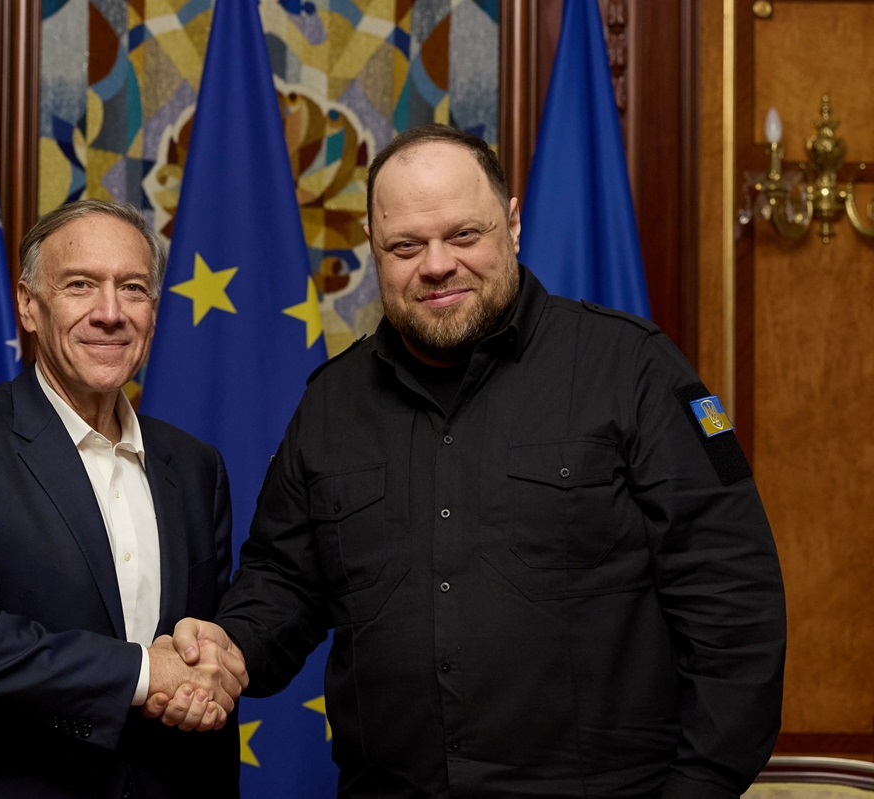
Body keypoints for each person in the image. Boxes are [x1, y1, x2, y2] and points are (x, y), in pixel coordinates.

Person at [151, 124, 787, 798]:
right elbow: (283, 581)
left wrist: (699, 787)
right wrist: (224, 651)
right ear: (374, 247)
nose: (436, 265)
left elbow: (733, 599)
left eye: (463, 235)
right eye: (406, 246)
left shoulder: (632, 369)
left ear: (511, 225)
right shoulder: (331, 404)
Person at [0, 199, 245, 799]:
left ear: (153, 312)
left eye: (132, 288)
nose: (110, 313)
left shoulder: (195, 465)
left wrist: (201, 671)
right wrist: (143, 672)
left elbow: (203, 640)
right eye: (80, 285)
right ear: (29, 304)